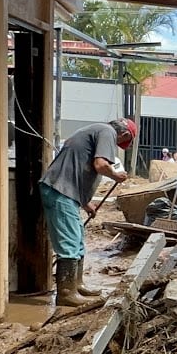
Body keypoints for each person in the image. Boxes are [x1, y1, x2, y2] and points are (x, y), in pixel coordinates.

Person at [39, 118, 136, 306]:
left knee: (78, 239)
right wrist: (116, 175)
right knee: (70, 242)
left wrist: (85, 203)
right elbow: (100, 165)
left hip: (65, 191)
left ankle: (77, 285)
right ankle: (66, 293)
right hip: (60, 191)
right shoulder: (107, 132)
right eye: (123, 141)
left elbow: (76, 168)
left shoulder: (95, 130)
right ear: (124, 134)